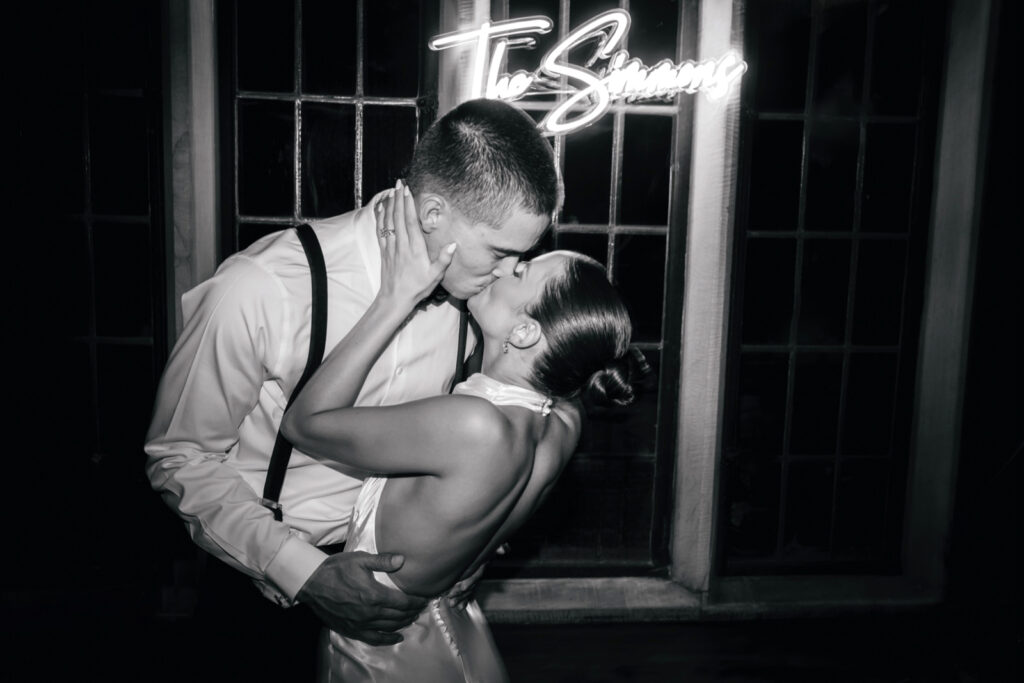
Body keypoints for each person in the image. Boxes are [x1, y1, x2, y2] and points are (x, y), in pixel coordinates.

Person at [144, 98, 560, 679]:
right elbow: (179, 455)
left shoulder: (479, 306)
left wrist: (475, 543)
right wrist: (305, 572)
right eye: (501, 252)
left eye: (524, 255)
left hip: (404, 605)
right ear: (434, 213)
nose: (508, 272)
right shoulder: (264, 286)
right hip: (265, 588)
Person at [280, 184, 643, 681]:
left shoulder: (474, 425)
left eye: (519, 270)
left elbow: (304, 424)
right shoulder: (562, 423)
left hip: (388, 649)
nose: (501, 266)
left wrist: (394, 299)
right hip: (455, 627)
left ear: (523, 333)